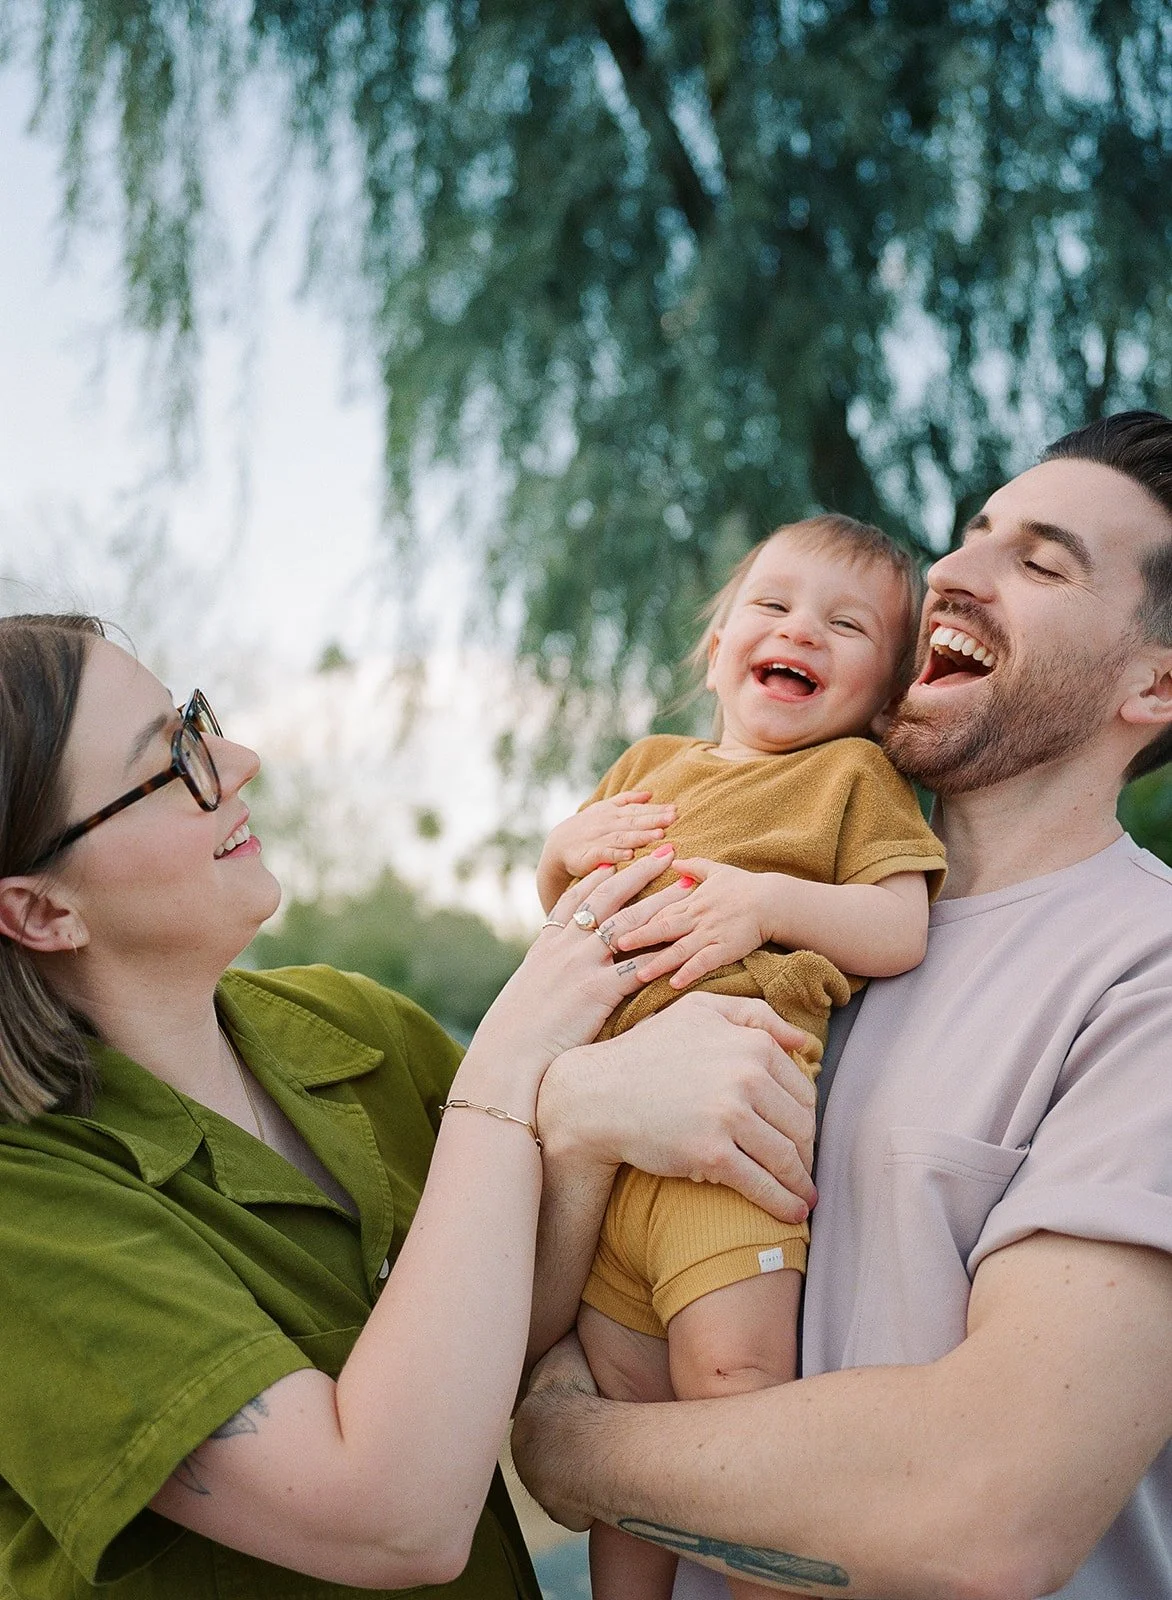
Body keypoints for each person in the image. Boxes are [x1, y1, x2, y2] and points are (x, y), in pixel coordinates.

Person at [0, 613, 822, 1600]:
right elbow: (394, 1518)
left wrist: (577, 1129)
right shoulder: (24, 1205)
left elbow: (491, 1359)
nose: (240, 759)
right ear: (43, 911)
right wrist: (512, 1065)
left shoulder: (356, 1025)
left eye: (196, 719)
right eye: (171, 761)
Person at [512, 410, 1172, 1600]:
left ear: (1157, 682)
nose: (951, 577)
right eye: (969, 538)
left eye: (1035, 561)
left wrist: (568, 1446)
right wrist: (580, 1113)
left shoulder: (1147, 975)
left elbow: (988, 1508)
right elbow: (526, 1311)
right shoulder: (755, 917)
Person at [535, 515, 945, 1600]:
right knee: (628, 1430)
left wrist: (761, 900)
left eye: (845, 624)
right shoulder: (647, 766)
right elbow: (562, 914)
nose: (798, 629)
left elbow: (896, 928)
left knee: (733, 1396)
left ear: (883, 690)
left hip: (730, 1154)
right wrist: (557, 852)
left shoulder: (850, 780)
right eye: (770, 606)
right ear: (716, 645)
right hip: (607, 1168)